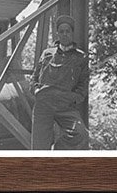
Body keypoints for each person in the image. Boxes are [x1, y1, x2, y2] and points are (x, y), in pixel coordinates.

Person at [30, 14, 89, 150]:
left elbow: (83, 85)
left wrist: (72, 98)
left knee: (80, 134)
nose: (64, 34)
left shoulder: (81, 57)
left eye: (67, 31)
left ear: (72, 33)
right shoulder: (47, 53)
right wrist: (36, 91)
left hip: (65, 106)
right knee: (39, 147)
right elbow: (34, 77)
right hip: (43, 104)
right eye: (61, 31)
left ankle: (55, 153)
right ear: (57, 34)